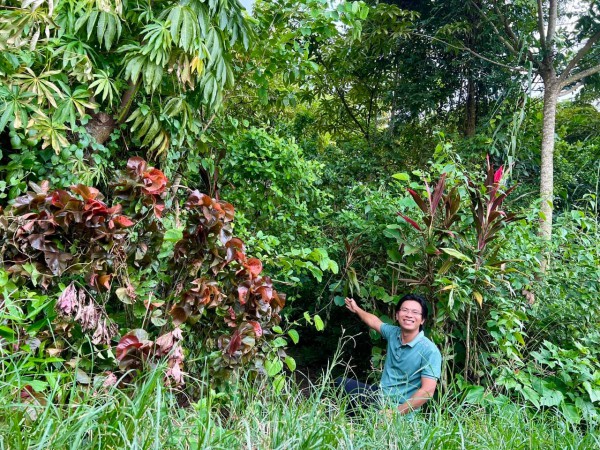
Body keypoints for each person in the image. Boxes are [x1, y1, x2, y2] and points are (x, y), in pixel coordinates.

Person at [337, 294, 442, 415]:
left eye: (415, 312)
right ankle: (353, 426)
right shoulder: (393, 333)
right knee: (340, 384)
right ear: (397, 315)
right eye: (405, 310)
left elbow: (427, 391)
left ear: (422, 319)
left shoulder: (429, 350)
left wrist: (395, 413)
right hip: (380, 397)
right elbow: (374, 321)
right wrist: (357, 309)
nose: (409, 315)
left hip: (401, 409)